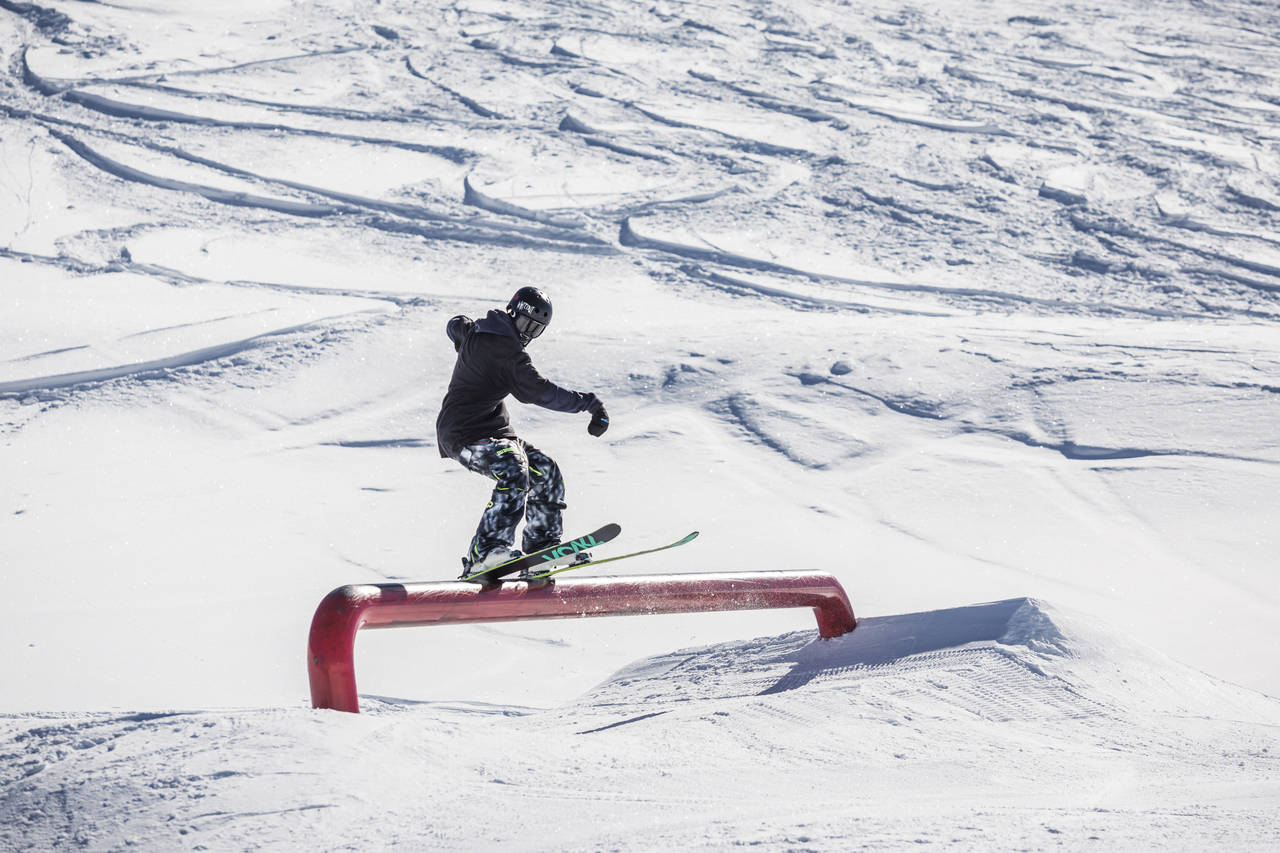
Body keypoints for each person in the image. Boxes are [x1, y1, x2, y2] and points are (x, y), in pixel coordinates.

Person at [436, 286, 609, 578]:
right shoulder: (507, 352)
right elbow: (542, 392)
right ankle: (486, 551)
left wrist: (459, 328)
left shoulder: (484, 331)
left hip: (494, 432)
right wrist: (590, 405)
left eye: (536, 329)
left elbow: (457, 326)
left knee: (546, 470)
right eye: (526, 324)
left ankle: (541, 547)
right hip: (462, 434)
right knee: (513, 468)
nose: (528, 334)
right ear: (512, 314)